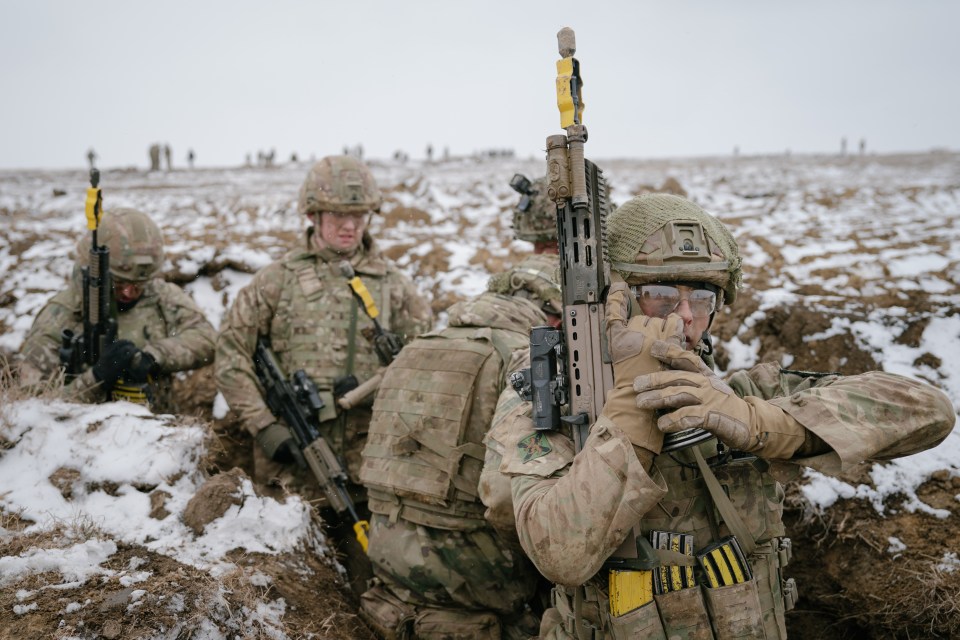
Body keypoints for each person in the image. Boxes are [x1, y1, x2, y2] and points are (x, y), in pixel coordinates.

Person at [483, 193, 955, 639]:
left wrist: (760, 423)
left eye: (703, 299)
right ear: (617, 300)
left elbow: (927, 409)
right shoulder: (554, 401)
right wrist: (628, 408)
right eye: (662, 295)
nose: (685, 316)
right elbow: (560, 553)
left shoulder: (743, 393)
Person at [215, 155, 432, 593]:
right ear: (313, 214)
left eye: (359, 215)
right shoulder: (276, 280)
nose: (350, 226)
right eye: (338, 215)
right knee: (289, 585)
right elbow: (231, 353)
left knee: (374, 576)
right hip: (291, 461)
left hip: (369, 465)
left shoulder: (394, 285)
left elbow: (426, 363)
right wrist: (263, 426)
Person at [357, 255, 561, 639]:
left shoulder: (416, 347)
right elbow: (504, 500)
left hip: (388, 570)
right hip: (476, 587)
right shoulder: (530, 358)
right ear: (555, 318)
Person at [17, 208, 216, 413]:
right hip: (81, 439)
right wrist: (95, 379)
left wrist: (152, 356)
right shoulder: (58, 318)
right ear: (96, 273)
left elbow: (207, 338)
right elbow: (32, 411)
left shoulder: (160, 295)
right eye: (119, 284)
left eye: (138, 284)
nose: (129, 293)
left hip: (160, 433)